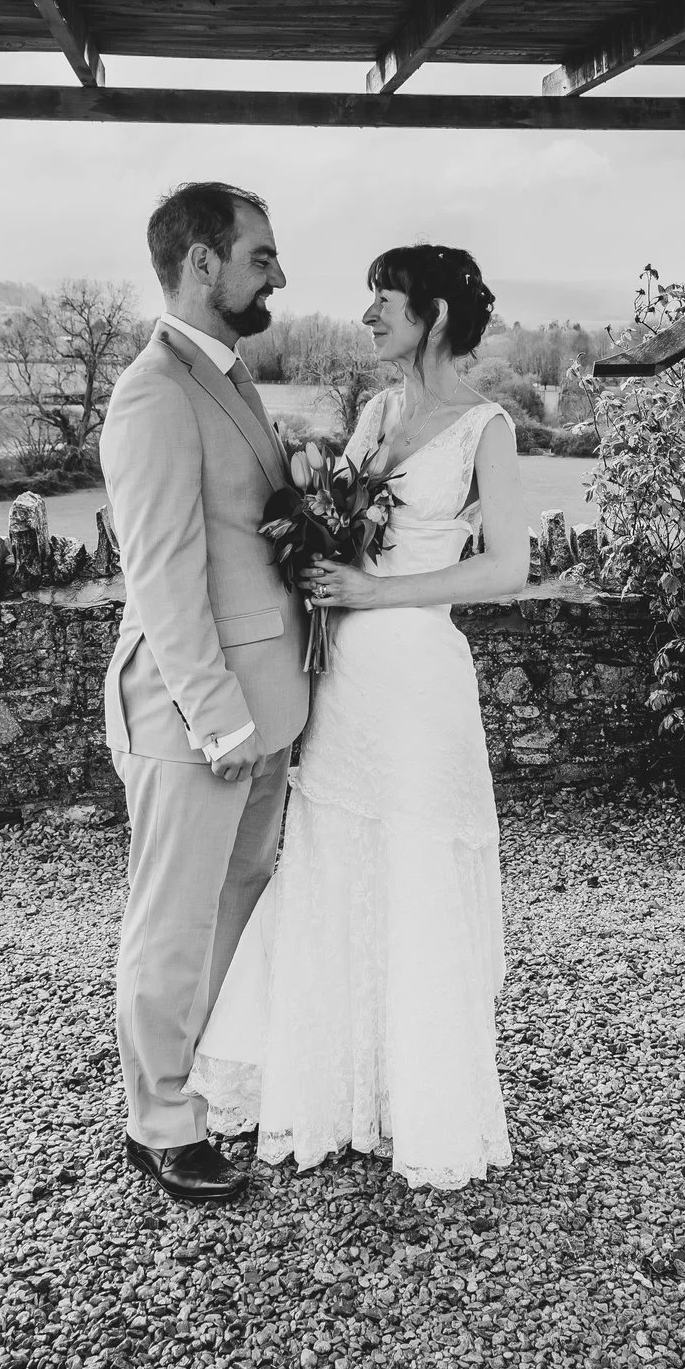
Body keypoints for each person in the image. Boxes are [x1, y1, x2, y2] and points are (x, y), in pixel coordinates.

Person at [191, 243, 530, 1191]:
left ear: (430, 314)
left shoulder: (488, 427)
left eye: (383, 300)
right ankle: (333, 1084)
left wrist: (374, 591)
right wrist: (314, 536)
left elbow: (506, 570)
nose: (369, 315)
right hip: (343, 682)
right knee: (334, 852)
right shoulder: (378, 412)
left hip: (417, 679)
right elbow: (332, 518)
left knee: (413, 858)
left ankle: (424, 1097)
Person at [100, 182, 307, 1205]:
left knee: (236, 898)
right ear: (201, 265)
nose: (277, 271)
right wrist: (218, 715)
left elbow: (233, 541)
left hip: (263, 705)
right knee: (173, 919)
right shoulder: (152, 393)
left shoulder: (224, 376)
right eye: (261, 254)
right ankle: (160, 1122)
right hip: (196, 716)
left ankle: (204, 1080)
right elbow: (164, 580)